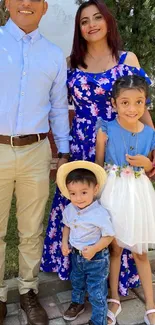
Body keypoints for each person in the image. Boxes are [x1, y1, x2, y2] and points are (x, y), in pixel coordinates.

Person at [41, 0, 154, 306]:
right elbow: (58, 107)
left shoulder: (126, 58)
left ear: (107, 22)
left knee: (116, 206)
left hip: (117, 143)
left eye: (96, 18)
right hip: (81, 145)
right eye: (84, 21)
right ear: (79, 29)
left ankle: (121, 277)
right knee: (82, 203)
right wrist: (62, 150)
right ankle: (81, 270)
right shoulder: (70, 62)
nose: (91, 25)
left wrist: (152, 148)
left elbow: (141, 108)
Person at [0, 0, 70, 324]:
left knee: (31, 229)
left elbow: (58, 108)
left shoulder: (54, 55)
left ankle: (28, 290)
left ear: (43, 8)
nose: (25, 3)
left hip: (36, 151)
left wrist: (64, 152)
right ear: (6, 4)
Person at [96, 74, 155, 325]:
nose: (132, 109)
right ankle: (114, 298)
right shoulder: (105, 128)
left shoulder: (150, 133)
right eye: (125, 102)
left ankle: (151, 305)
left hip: (138, 193)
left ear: (146, 104)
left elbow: (151, 168)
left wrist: (147, 163)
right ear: (114, 103)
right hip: (112, 191)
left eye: (139, 102)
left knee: (140, 252)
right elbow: (98, 166)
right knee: (115, 248)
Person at [56, 160, 114, 325]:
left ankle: (98, 320)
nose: (78, 198)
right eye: (73, 193)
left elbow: (109, 236)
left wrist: (95, 248)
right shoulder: (69, 209)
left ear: (95, 189)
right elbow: (67, 226)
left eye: (83, 192)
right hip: (76, 255)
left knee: (96, 290)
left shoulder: (99, 213)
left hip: (97, 258)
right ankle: (77, 303)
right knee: (76, 280)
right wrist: (64, 242)